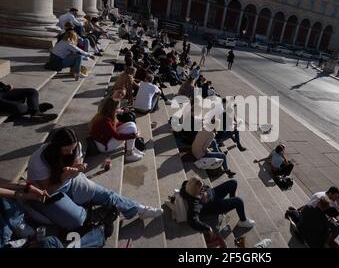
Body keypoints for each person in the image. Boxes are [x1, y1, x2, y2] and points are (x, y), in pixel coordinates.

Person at [27, 127, 162, 232]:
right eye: (66, 150)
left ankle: (139, 209)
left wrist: (77, 168)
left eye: (72, 149)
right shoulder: (38, 160)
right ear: (56, 147)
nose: (70, 152)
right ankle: (75, 209)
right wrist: (65, 176)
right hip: (48, 192)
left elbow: (76, 162)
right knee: (77, 221)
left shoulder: (76, 147)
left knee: (106, 194)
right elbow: (47, 189)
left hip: (71, 181)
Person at [180, 176, 255, 237]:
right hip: (215, 206)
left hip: (213, 193)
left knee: (233, 182)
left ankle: (231, 201)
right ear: (196, 191)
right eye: (201, 188)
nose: (203, 187)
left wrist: (206, 192)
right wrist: (207, 228)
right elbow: (192, 221)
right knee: (239, 201)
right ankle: (243, 221)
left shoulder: (187, 185)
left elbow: (206, 187)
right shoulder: (195, 203)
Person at [90, 98, 144, 162]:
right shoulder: (105, 121)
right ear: (112, 109)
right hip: (104, 146)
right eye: (118, 108)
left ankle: (133, 148)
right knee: (131, 129)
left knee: (131, 124)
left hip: (105, 141)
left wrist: (134, 130)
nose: (120, 109)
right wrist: (133, 136)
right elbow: (117, 136)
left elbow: (118, 124)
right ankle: (129, 154)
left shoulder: (106, 115)